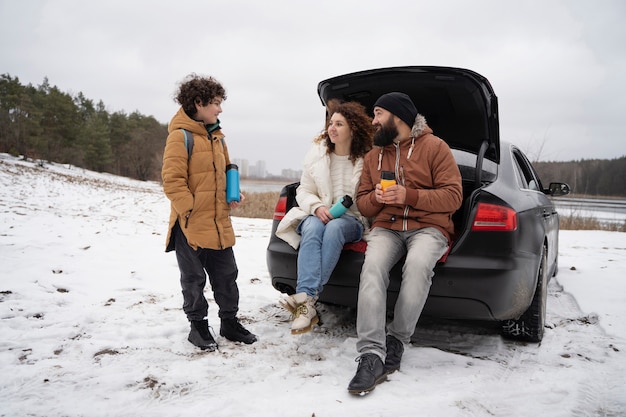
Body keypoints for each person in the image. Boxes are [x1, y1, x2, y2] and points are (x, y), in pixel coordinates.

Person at [347, 92, 462, 394]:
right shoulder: (374, 155)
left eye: (378, 114)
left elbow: (453, 196)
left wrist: (408, 195)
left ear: (398, 117)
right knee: (371, 267)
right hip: (388, 227)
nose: (373, 121)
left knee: (418, 265)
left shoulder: (436, 148)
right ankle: (371, 354)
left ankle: (396, 340)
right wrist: (375, 197)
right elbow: (363, 204)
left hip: (429, 227)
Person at [162, 74, 257, 351]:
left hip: (218, 221)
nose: (220, 108)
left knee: (227, 275)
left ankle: (229, 323)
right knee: (193, 280)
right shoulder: (180, 137)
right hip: (190, 223)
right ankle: (198, 328)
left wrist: (233, 194)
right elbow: (172, 180)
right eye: (215, 103)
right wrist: (190, 210)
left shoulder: (218, 137)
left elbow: (226, 172)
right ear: (198, 103)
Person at [275, 100, 374, 334]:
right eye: (331, 123)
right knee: (311, 228)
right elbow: (303, 190)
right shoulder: (317, 155)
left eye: (339, 124)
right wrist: (317, 207)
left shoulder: (367, 159)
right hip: (317, 213)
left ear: (353, 129)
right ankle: (307, 303)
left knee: (335, 228)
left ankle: (305, 299)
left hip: (351, 219)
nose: (332, 128)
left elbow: (369, 197)